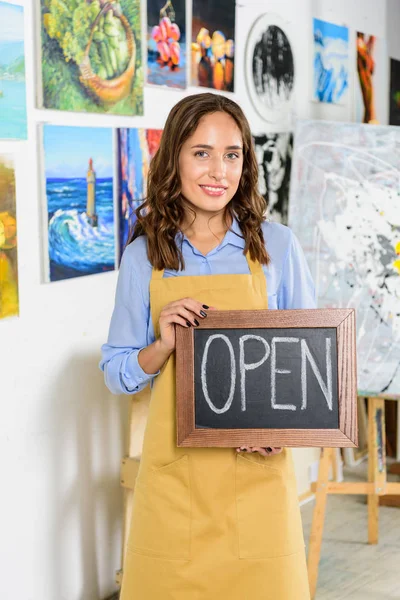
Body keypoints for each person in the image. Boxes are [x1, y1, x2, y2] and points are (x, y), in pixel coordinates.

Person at [100, 92, 315, 599]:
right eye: (202, 152)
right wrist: (164, 344)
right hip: (175, 486)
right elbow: (115, 370)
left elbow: (311, 364)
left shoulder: (277, 247)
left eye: (233, 154)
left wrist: (281, 434)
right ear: (174, 156)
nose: (220, 170)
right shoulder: (144, 256)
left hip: (258, 479)